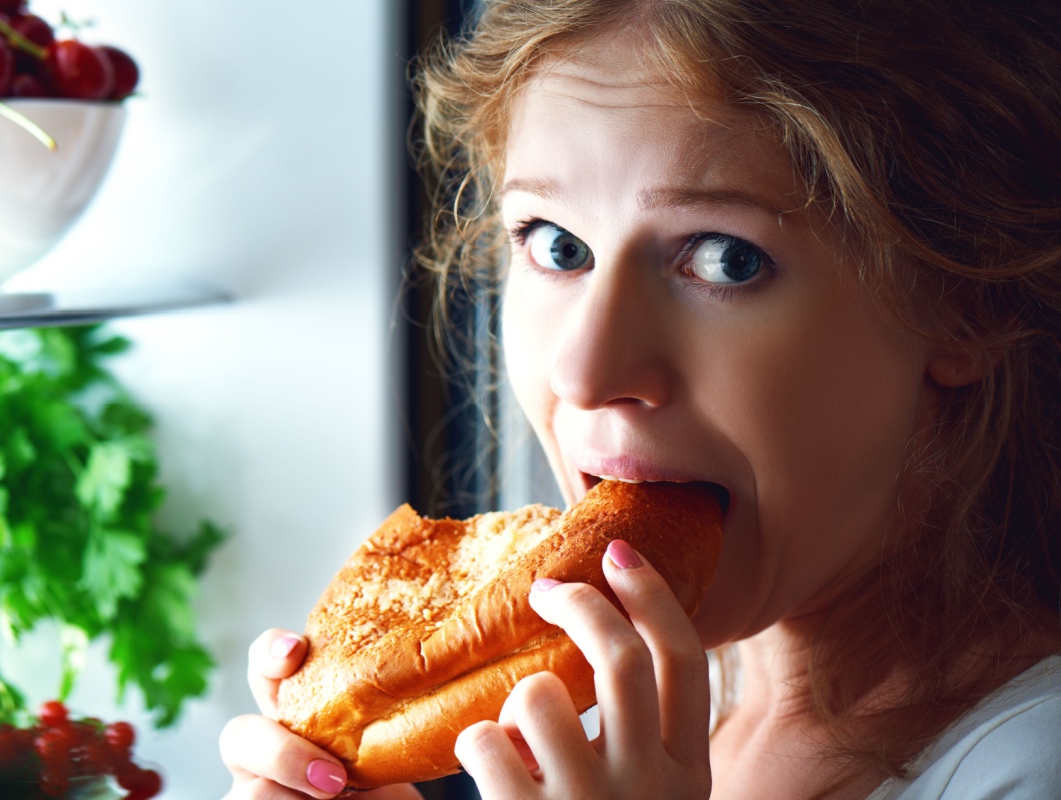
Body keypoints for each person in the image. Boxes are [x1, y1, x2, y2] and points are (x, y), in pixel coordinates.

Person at [219, 0, 1061, 797]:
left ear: (967, 299)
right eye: (556, 245)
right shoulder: (620, 732)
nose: (584, 371)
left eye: (726, 258)